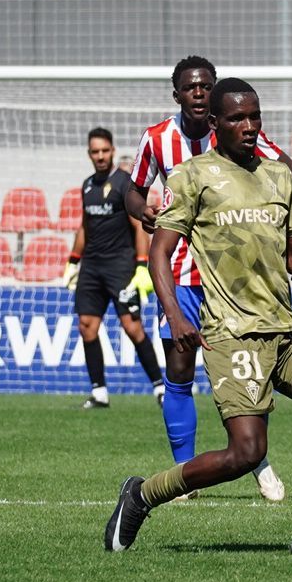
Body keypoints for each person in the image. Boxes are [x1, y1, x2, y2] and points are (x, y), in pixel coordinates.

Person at [104, 78, 292, 555]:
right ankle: (142, 494)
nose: (249, 125)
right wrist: (173, 314)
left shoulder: (278, 177)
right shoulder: (191, 177)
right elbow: (160, 252)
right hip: (232, 336)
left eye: (255, 116)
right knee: (245, 454)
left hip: (285, 329)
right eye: (237, 118)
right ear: (214, 124)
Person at [125, 55, 286, 502]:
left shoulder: (238, 130)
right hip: (180, 275)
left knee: (250, 367)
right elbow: (133, 192)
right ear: (176, 93)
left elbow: (287, 169)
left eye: (206, 86)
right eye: (191, 87)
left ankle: (256, 458)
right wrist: (145, 212)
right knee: (179, 369)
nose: (199, 92)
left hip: (235, 278)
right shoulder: (157, 139)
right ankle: (183, 473)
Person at [65, 127, 165, 410]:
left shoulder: (124, 183)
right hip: (92, 268)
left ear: (111, 150)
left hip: (121, 267)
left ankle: (159, 387)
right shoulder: (87, 186)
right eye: (95, 152)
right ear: (89, 154)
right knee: (86, 327)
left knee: (132, 327)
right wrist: (73, 260)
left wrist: (142, 266)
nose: (100, 156)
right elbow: (84, 226)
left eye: (105, 151)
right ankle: (99, 392)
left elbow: (138, 227)